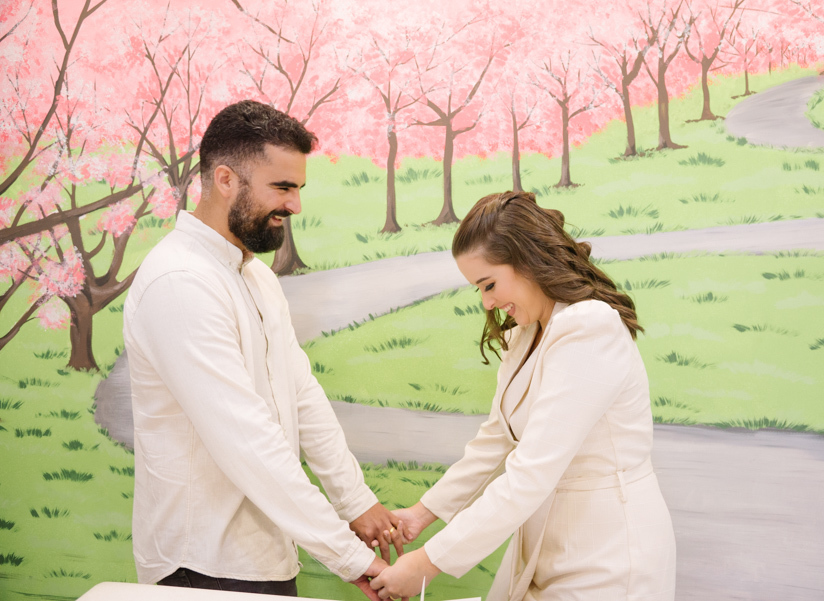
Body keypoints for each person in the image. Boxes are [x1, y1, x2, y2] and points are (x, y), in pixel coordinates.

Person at [123, 100, 400, 598]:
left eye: (298, 188)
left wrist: (355, 502)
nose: (295, 206)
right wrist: (350, 557)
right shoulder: (180, 282)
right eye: (283, 187)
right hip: (202, 565)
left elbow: (301, 394)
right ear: (225, 178)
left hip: (265, 556)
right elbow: (247, 440)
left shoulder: (253, 274)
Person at [370, 191, 677, 600]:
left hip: (608, 554)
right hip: (545, 545)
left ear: (528, 260)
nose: (488, 302)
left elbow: (532, 471)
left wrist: (427, 563)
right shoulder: (527, 334)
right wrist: (420, 515)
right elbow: (496, 439)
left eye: (489, 284)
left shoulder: (589, 327)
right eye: (479, 289)